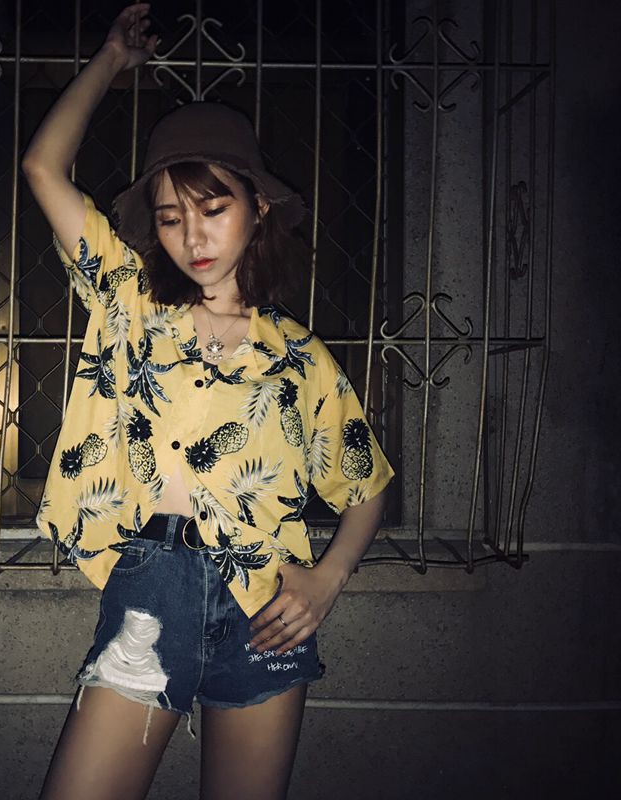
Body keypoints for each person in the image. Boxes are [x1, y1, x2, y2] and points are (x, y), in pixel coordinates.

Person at [22, 5, 394, 799]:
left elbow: (366, 485)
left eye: (214, 208)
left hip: (265, 609)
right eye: (170, 217)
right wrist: (111, 60)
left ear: (259, 207)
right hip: (151, 594)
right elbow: (44, 169)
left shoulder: (301, 357)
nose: (192, 236)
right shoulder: (130, 301)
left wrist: (327, 580)